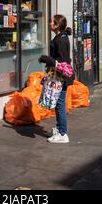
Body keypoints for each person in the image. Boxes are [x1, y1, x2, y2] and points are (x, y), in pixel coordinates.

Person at [39, 14, 74, 144]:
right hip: (59, 77)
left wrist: (48, 60)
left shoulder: (61, 40)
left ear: (56, 25)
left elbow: (63, 63)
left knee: (59, 105)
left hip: (61, 78)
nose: (49, 23)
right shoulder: (60, 37)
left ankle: (62, 134)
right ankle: (59, 129)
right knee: (59, 104)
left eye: (51, 21)